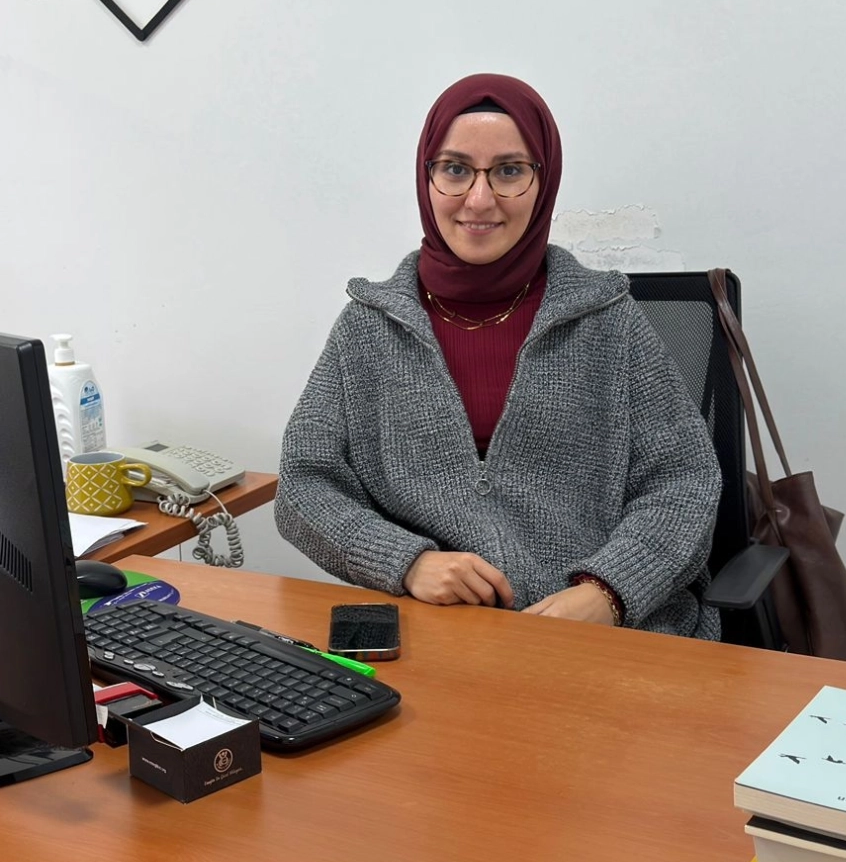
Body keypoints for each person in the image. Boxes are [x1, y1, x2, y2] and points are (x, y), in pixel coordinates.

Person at [275, 74, 722, 638]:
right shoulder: (368, 327)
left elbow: (684, 481)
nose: (479, 199)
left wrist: (608, 592)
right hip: (439, 636)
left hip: (607, 636)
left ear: (544, 181)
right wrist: (405, 562)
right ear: (427, 178)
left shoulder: (609, 319)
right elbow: (304, 486)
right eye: (455, 169)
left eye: (509, 171)